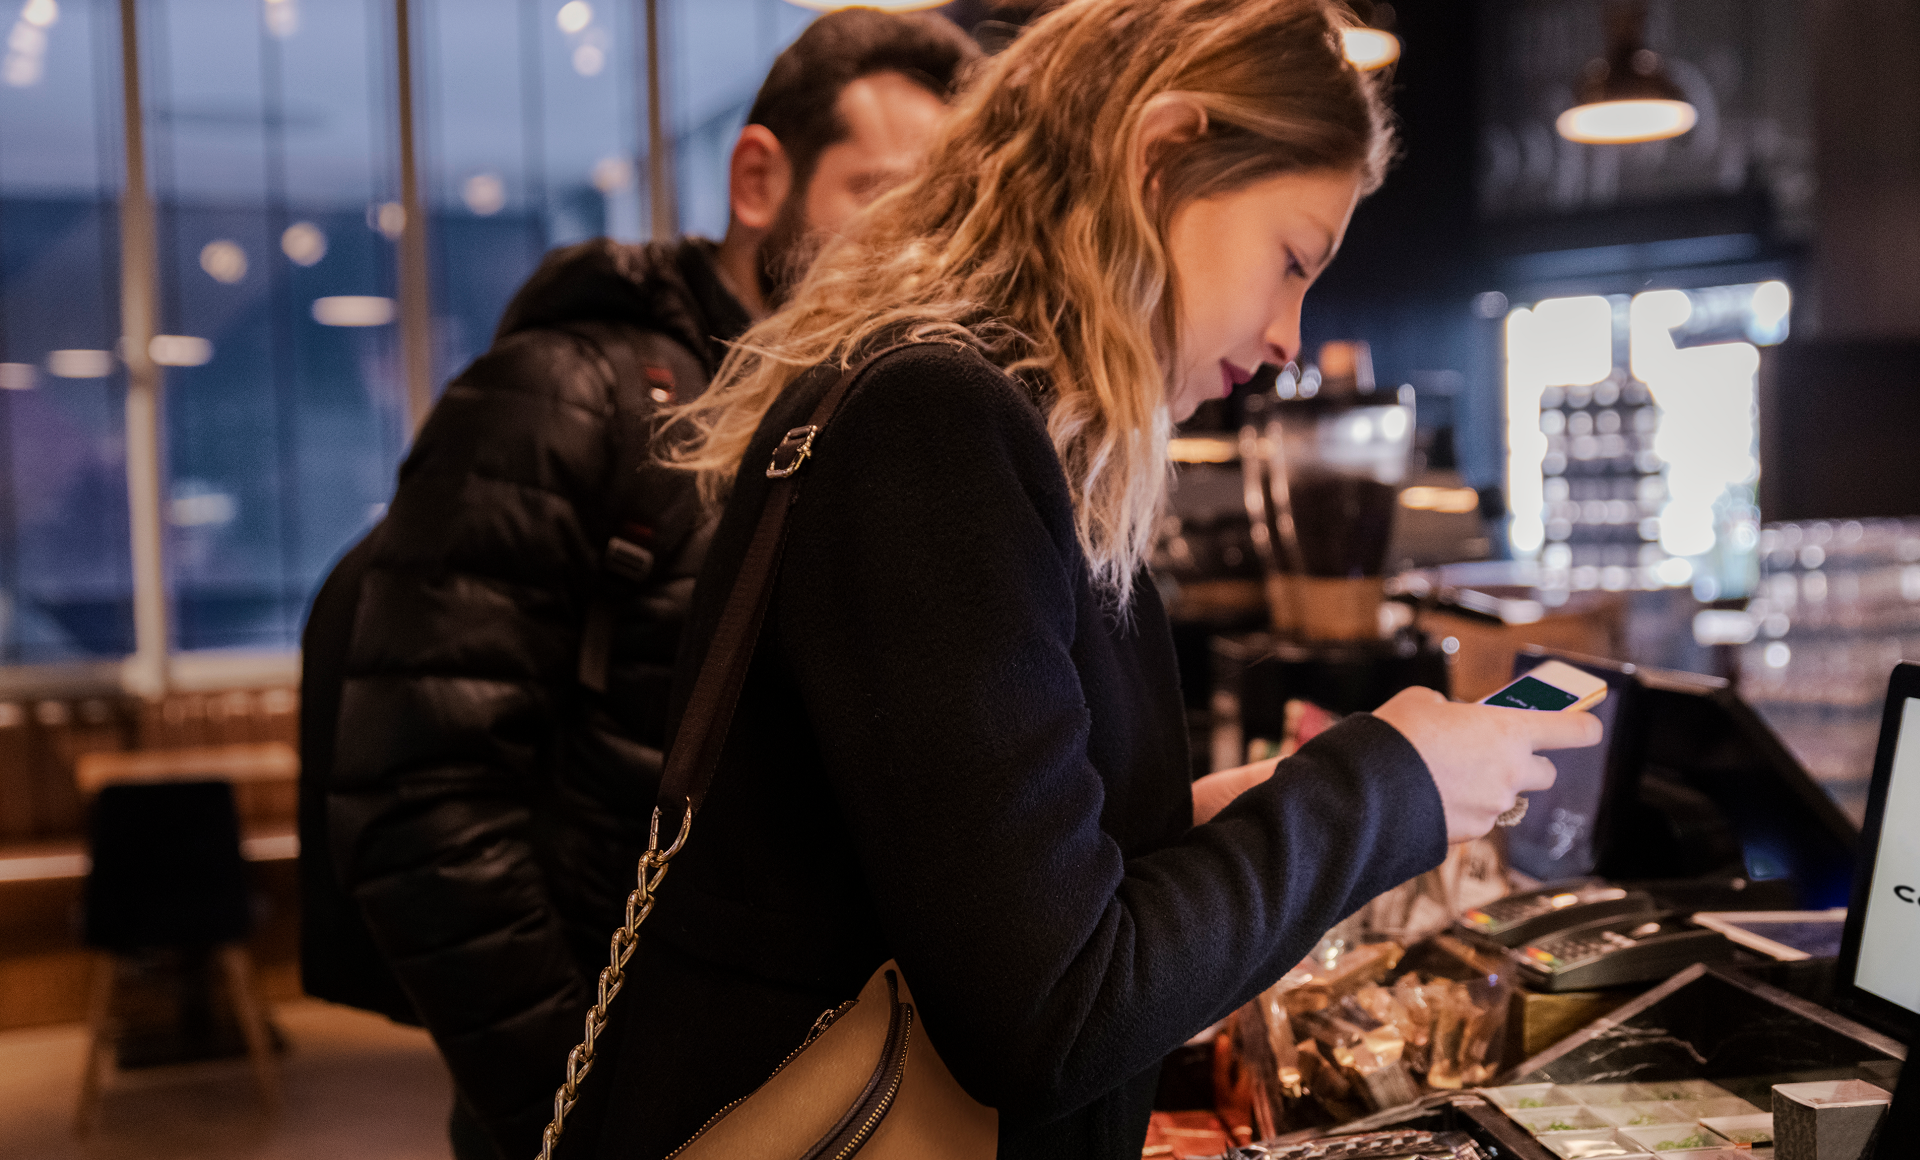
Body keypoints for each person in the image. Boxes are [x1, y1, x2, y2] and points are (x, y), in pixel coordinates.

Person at [557, 1, 1604, 1158]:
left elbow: (968, 872)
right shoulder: (937, 426)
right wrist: (1389, 786)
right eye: (1290, 259)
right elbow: (1053, 1010)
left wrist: (1197, 821)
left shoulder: (992, 425)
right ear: (1158, 157)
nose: (1288, 336)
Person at [318, 12, 982, 1160]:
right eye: (881, 199)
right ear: (759, 178)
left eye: (945, 218)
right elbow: (419, 804)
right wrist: (580, 1103)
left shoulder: (871, 429)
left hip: (822, 1101)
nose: (912, 253)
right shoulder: (563, 392)